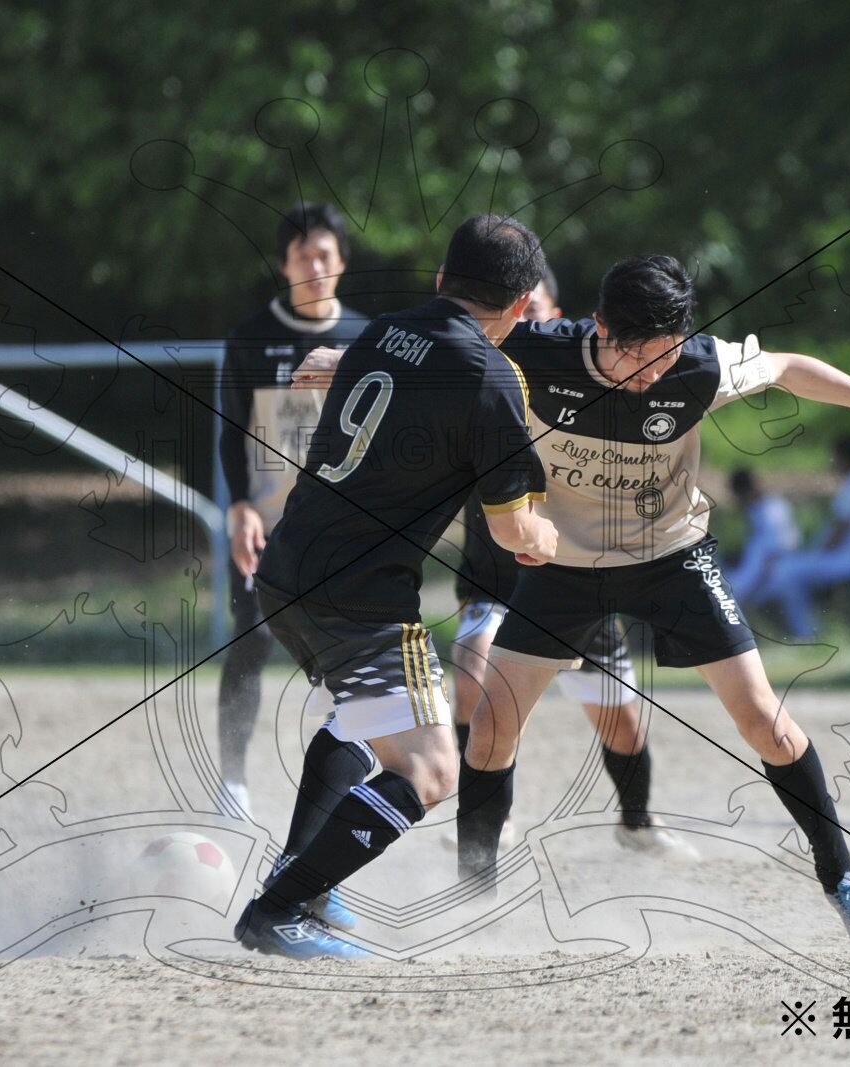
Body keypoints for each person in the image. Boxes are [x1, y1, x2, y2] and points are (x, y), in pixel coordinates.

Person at [456, 254, 850, 948]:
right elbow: (438, 351)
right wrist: (341, 361)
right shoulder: (538, 351)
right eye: (635, 355)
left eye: (664, 356)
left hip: (673, 560)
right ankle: (474, 895)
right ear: (600, 326)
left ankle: (844, 880)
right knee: (490, 727)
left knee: (765, 721)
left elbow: (788, 368)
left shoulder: (698, 366)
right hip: (565, 566)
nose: (649, 373)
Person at [233, 213, 557, 959]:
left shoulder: (382, 331)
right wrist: (545, 538)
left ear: (442, 279)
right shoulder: (492, 377)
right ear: (520, 304)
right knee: (432, 768)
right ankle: (277, 910)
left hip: (286, 570)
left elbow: (390, 366)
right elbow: (512, 530)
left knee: (358, 720)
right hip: (361, 598)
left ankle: (303, 878)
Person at [449, 266, 695, 857]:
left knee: (620, 722)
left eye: (532, 310)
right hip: (498, 581)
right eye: (512, 309)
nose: (521, 320)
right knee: (473, 672)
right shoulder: (479, 378)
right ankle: (490, 818)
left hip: (575, 580)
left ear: (554, 320)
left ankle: (637, 822)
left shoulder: (584, 385)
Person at [216, 203, 369, 818]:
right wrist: (241, 507)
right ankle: (232, 782)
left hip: (344, 530)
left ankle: (341, 784)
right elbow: (232, 433)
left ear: (342, 262)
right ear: (284, 265)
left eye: (324, 254)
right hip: (269, 526)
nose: (314, 265)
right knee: (251, 641)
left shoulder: (368, 339)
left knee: (350, 656)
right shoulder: (252, 338)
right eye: (302, 255)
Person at [756, 436, 850, 639]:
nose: (831, 462)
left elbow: (838, 533)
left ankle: (806, 633)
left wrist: (815, 555)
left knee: (786, 571)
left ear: (843, 457)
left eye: (834, 456)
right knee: (791, 567)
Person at [722, 468, 800, 604]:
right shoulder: (761, 508)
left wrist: (752, 592)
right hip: (759, 571)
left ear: (745, 493)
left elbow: (774, 556)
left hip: (770, 575)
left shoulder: (769, 512)